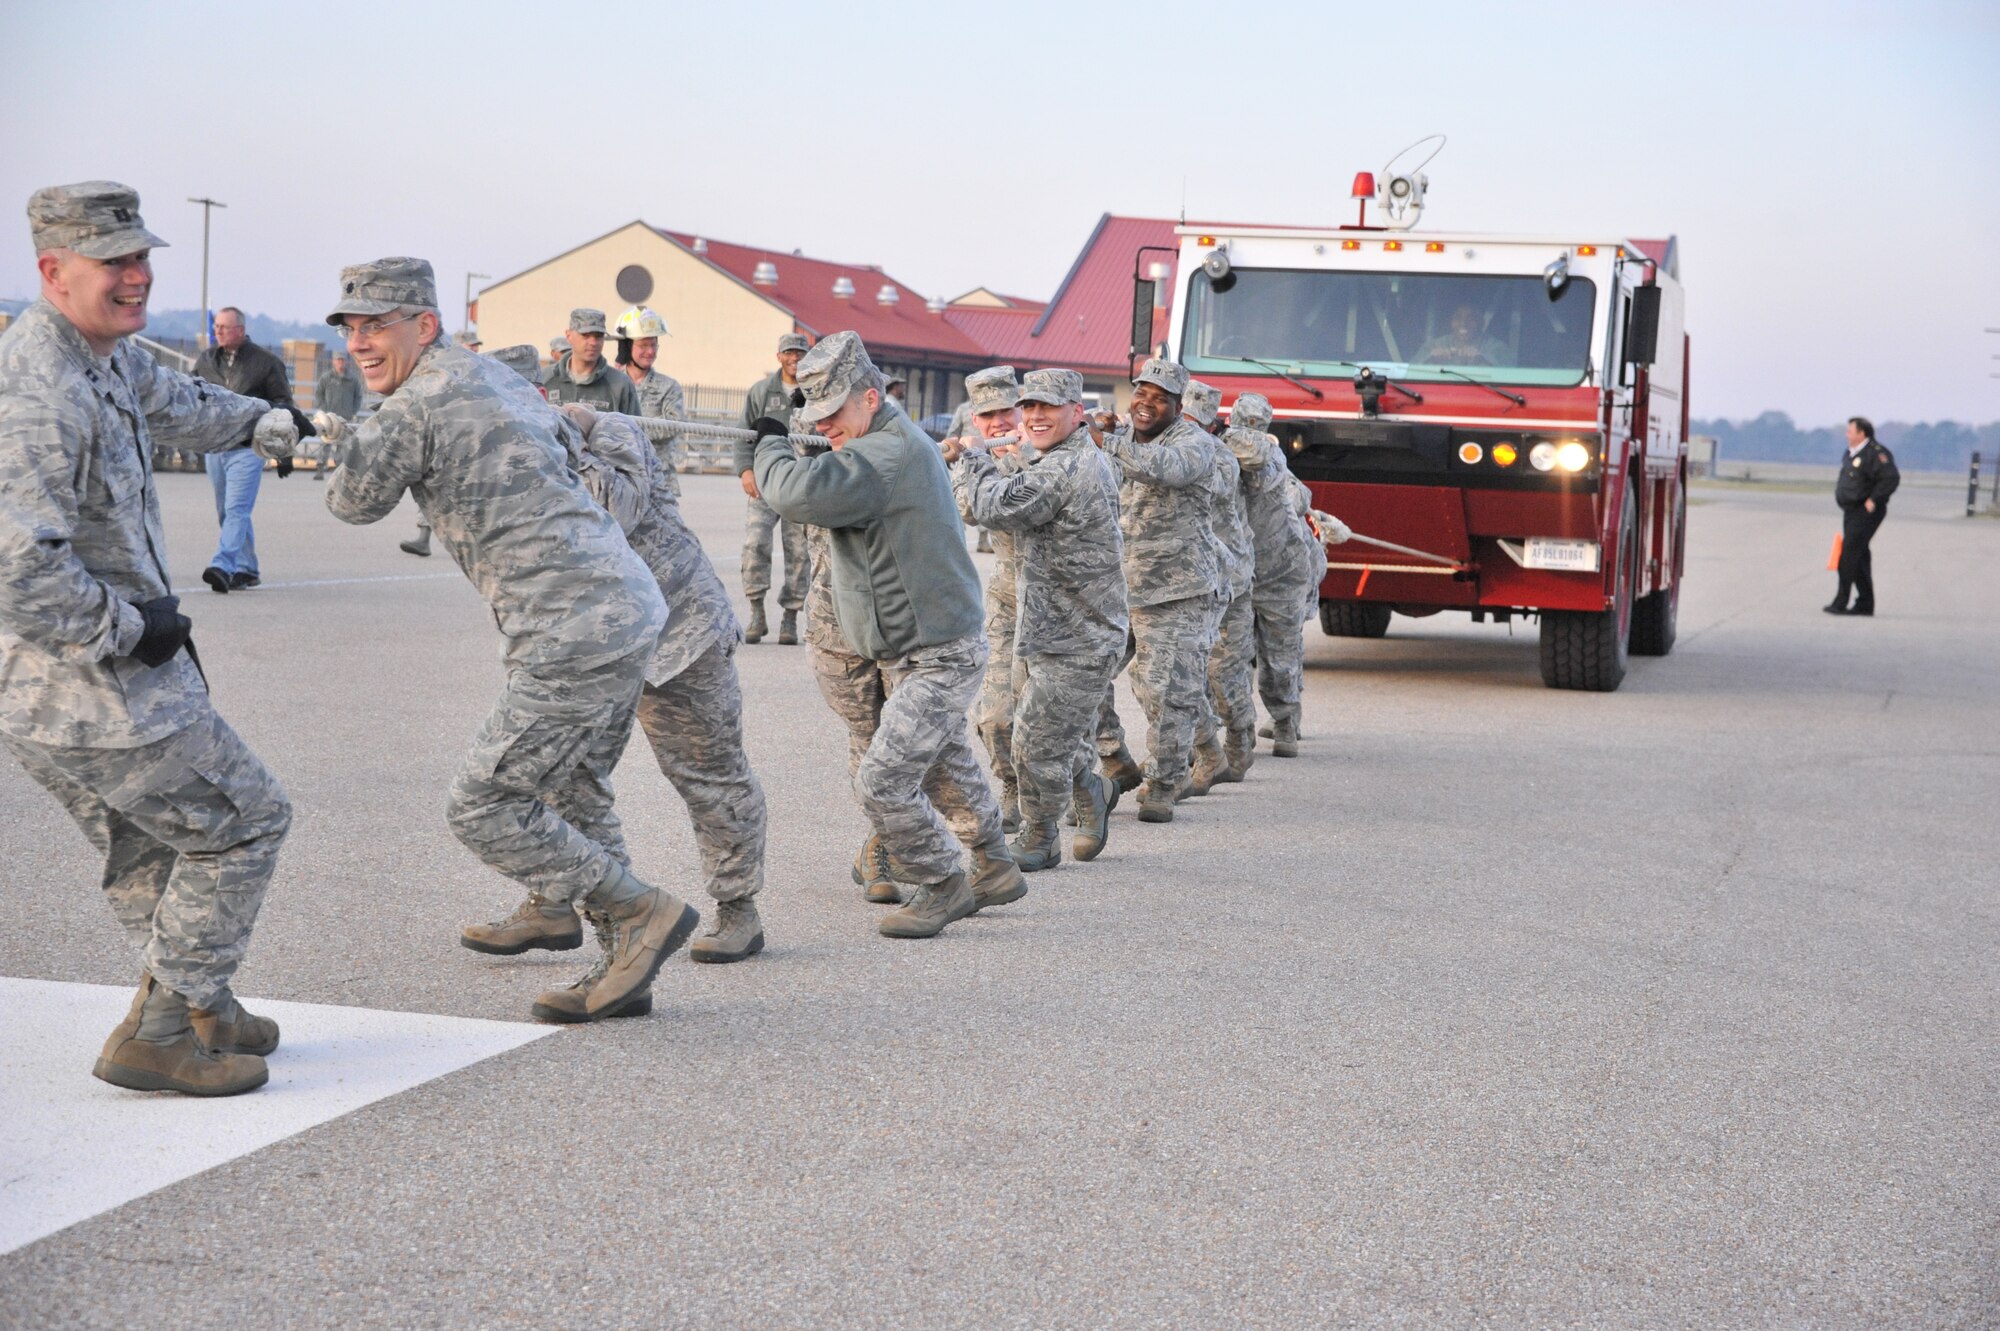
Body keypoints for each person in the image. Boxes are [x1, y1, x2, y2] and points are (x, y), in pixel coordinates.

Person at [315, 257, 693, 1021]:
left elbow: (351, 502)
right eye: (351, 327)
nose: (360, 342)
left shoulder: (414, 404)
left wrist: (338, 435)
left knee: (482, 802)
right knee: (572, 781)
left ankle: (638, 912)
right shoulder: (501, 378)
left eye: (377, 325)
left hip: (570, 627)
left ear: (424, 325)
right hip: (622, 605)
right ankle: (611, 952)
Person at [0, 180, 300, 1096]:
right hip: (94, 685)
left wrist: (266, 418)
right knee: (246, 820)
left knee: (154, 846)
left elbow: (181, 402)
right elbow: (16, 565)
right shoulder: (40, 388)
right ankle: (160, 1030)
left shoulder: (100, 356)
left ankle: (200, 1002)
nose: (135, 276)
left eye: (141, 258)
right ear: (53, 271)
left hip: (55, 694)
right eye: (112, 262)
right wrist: (134, 627)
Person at [462, 348, 769, 1006]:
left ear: (538, 393)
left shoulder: (611, 429)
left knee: (708, 774)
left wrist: (558, 434)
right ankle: (563, 902)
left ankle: (737, 906)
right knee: (565, 775)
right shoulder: (503, 452)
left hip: (679, 636)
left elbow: (614, 509)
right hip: (594, 646)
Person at [751, 331, 1024, 939]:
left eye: (833, 413)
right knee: (941, 759)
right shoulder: (876, 443)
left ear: (870, 399)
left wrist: (770, 444)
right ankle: (995, 864)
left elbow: (795, 493)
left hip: (939, 654)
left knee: (883, 778)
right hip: (915, 647)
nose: (825, 427)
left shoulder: (886, 454)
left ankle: (941, 882)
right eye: (814, 417)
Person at [951, 369, 1126, 871]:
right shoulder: (1052, 457)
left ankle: (1041, 834)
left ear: (1077, 412)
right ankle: (1087, 788)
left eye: (1046, 408)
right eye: (1028, 408)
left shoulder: (1065, 467)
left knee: (1035, 738)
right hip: (1036, 617)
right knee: (1013, 726)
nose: (1032, 417)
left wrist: (972, 457)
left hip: (1080, 632)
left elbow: (986, 505)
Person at [1097, 358, 1222, 822]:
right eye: (1141, 394)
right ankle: (1115, 760)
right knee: (1082, 677)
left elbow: (1164, 469)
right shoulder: (1119, 435)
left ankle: (1166, 782)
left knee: (1163, 690)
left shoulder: (1193, 442)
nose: (1147, 404)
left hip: (1176, 589)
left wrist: (1105, 441)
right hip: (1115, 586)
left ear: (1177, 405)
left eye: (1160, 398)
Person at [944, 365, 1026, 831]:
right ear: (975, 421)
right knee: (995, 715)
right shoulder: (980, 456)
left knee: (1060, 722)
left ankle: (1085, 785)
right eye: (988, 415)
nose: (999, 423)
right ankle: (1013, 785)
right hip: (1009, 599)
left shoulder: (1049, 454)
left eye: (1006, 411)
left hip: (1069, 606)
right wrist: (968, 462)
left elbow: (1012, 501)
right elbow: (967, 512)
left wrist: (986, 462)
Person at [1226, 394, 1320, 757]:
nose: (1247, 430)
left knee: (1278, 656)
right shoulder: (1226, 451)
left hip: (1279, 571)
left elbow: (1295, 494)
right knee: (1233, 656)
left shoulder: (1265, 453)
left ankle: (1284, 723)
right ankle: (1246, 727)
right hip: (1241, 572)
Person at [1182, 380, 1256, 792]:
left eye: (1196, 422)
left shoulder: (1220, 458)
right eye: (1183, 419)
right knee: (1184, 670)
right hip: (1189, 580)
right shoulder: (1177, 447)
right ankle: (1194, 754)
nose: (1188, 428)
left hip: (1227, 579)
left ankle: (1238, 745)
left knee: (1224, 670)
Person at [191, 306, 298, 592]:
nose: (219, 331)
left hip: (248, 448)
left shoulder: (265, 363)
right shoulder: (205, 361)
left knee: (237, 508)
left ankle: (222, 565)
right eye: (217, 328)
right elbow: (191, 396)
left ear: (240, 329)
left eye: (225, 327)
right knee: (226, 511)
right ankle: (247, 568)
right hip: (215, 447)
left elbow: (285, 405)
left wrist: (284, 452)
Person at [734, 332, 813, 644]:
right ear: (779, 356)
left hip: (799, 483)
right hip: (765, 482)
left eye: (800, 353)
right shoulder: (761, 392)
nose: (795, 359)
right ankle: (756, 610)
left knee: (799, 552)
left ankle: (791, 617)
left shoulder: (814, 394)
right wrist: (745, 470)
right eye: (789, 353)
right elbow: (744, 434)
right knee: (754, 545)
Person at [1826, 415, 1899, 616]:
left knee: (1848, 555)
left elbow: (1890, 478)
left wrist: (1874, 499)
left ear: (1862, 433)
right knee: (1860, 556)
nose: (1846, 434)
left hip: (1866, 512)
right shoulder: (1852, 452)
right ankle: (1865, 604)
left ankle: (1840, 602)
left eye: (1850, 431)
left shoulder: (1876, 454)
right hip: (1851, 511)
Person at [612, 305, 686, 496]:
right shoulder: (610, 382)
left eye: (654, 344)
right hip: (618, 477)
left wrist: (627, 428)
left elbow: (673, 425)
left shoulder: (669, 386)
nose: (650, 351)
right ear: (627, 346)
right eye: (643, 345)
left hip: (658, 479)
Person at [541, 308, 640, 415]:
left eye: (598, 336)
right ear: (569, 336)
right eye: (586, 335)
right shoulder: (545, 380)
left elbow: (636, 429)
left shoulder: (619, 385)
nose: (593, 342)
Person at [312, 351, 361, 481]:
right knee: (325, 444)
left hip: (344, 418)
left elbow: (358, 396)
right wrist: (323, 410)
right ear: (333, 361)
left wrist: (352, 411)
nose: (340, 362)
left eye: (342, 360)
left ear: (346, 362)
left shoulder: (352, 379)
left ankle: (339, 471)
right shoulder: (326, 378)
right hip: (328, 418)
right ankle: (320, 469)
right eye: (338, 360)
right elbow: (319, 394)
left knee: (342, 446)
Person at [1415, 303, 1508, 367]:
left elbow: (1508, 373)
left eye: (1470, 318)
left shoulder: (1496, 347)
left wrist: (1483, 359)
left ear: (1480, 322)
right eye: (1457, 317)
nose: (1463, 324)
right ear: (1451, 321)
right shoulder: (1434, 345)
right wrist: (1430, 358)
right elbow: (1409, 371)